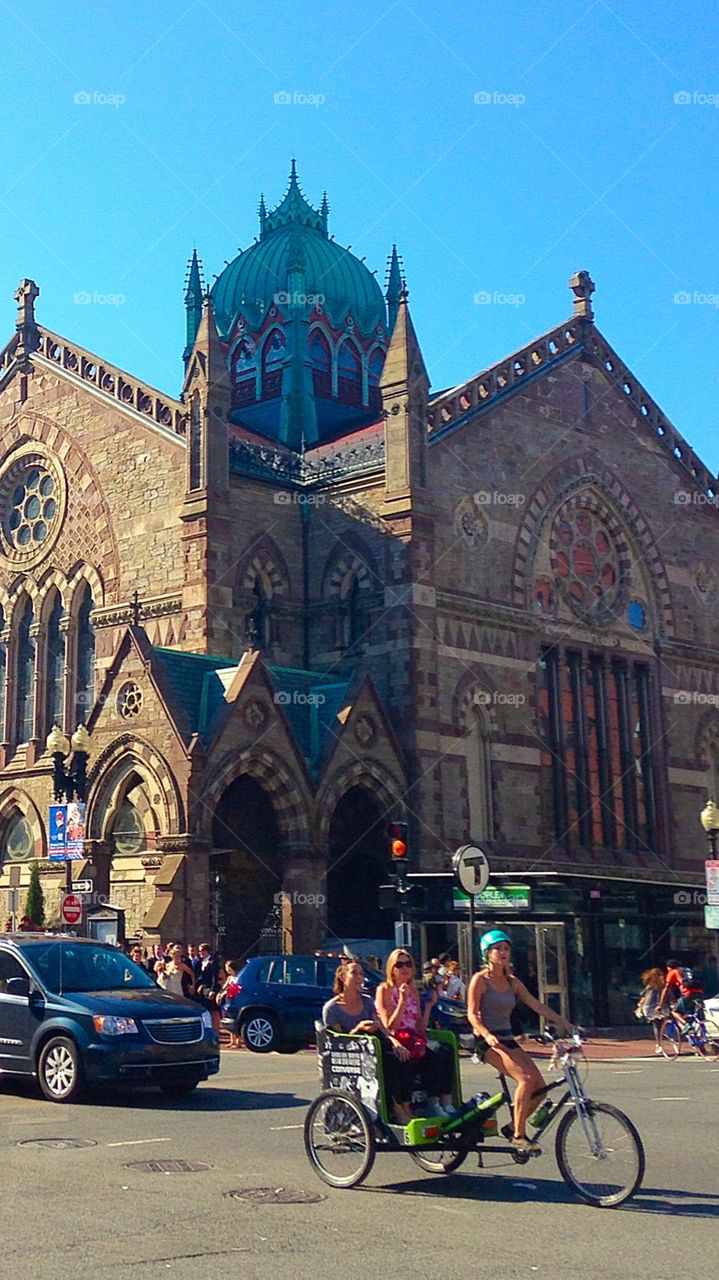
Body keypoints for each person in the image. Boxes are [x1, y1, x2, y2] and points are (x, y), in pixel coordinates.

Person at [467, 929, 572, 1153]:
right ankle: (519, 1135)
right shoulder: (480, 980)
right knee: (524, 1079)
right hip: (488, 1042)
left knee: (541, 1088)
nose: (503, 952)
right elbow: (472, 1014)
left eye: (506, 948)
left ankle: (512, 1125)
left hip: (507, 1039)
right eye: (497, 948)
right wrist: (486, 1034)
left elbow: (537, 1005)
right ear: (487, 953)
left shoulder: (512, 982)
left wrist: (566, 1023)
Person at [375, 948, 455, 1120]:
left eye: (408, 964)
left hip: (414, 1037)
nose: (404, 968)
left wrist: (428, 1008)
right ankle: (402, 1106)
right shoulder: (385, 990)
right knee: (406, 1058)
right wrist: (402, 1001)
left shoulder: (413, 991)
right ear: (392, 969)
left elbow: (420, 1027)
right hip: (396, 1039)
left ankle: (441, 1101)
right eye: (399, 964)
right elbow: (389, 1025)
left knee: (444, 1051)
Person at [657, 958, 703, 1028]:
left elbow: (666, 989)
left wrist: (661, 1005)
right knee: (691, 1014)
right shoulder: (687, 970)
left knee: (675, 1011)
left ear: (669, 967)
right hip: (699, 993)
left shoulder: (673, 972)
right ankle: (700, 1032)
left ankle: (687, 1025)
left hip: (688, 994)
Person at [636, 967, 664, 1054]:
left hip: (661, 1006)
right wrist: (641, 1003)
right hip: (651, 1006)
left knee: (660, 1024)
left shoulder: (663, 986)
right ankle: (658, 1044)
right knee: (657, 1024)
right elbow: (644, 996)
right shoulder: (650, 987)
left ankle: (660, 1042)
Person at [216, 959, 242, 1048]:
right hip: (228, 999)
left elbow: (238, 988)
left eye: (227, 967)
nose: (226, 969)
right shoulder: (229, 978)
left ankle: (238, 1041)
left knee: (235, 1018)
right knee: (228, 1018)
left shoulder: (239, 977)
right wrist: (220, 994)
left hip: (236, 999)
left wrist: (226, 992)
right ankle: (232, 1041)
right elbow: (225, 987)